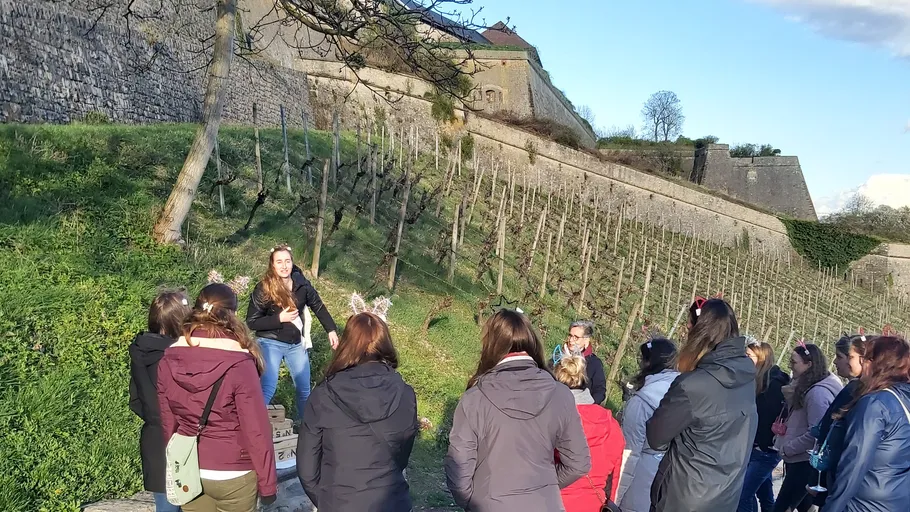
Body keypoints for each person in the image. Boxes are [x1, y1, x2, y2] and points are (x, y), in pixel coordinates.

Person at [445, 309, 591, 512]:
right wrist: (542, 486)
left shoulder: (475, 398)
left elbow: (459, 467)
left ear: (491, 344)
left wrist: (476, 500)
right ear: (531, 342)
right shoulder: (561, 394)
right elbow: (579, 463)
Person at [158, 283, 277, 512]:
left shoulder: (169, 358)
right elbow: (256, 429)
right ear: (231, 314)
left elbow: (168, 421)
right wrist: (268, 483)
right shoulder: (240, 362)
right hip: (234, 470)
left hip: (190, 466)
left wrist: (175, 463)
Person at [297, 311, 418, 511]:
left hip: (340, 502)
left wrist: (331, 501)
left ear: (347, 344)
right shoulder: (405, 393)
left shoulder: (322, 395)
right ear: (385, 344)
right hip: (392, 502)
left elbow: (307, 469)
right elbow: (401, 456)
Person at [646, 298, 757, 512]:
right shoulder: (747, 378)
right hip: (725, 497)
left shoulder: (692, 385)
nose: (686, 328)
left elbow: (655, 436)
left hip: (682, 499)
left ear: (700, 331)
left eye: (690, 324)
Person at [246, 245, 339, 422]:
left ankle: (305, 430)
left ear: (292, 262)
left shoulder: (302, 284)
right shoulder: (264, 288)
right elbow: (252, 322)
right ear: (272, 265)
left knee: (304, 390)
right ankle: (253, 427)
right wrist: (279, 318)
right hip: (270, 342)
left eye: (287, 261)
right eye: (279, 262)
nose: (284, 266)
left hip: (296, 343)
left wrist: (331, 330)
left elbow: (318, 306)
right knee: (268, 387)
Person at [823, 336, 910, 511]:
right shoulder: (903, 398)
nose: (863, 365)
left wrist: (832, 507)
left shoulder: (875, 404)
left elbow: (855, 463)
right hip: (897, 500)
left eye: (867, 359)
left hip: (865, 504)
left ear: (880, 364)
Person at [129, 290, 191, 512]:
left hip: (154, 440)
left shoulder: (140, 351)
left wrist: (155, 417)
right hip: (184, 440)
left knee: (165, 506)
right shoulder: (179, 355)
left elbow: (135, 400)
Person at [773, 342, 842, 512]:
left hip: (803, 461)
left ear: (809, 364)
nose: (791, 366)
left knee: (782, 508)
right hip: (798, 459)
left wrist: (789, 448)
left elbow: (817, 433)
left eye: (794, 362)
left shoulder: (817, 394)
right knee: (805, 507)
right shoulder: (806, 388)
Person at [553, 354, 625, 512]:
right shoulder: (611, 424)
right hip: (594, 504)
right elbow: (613, 479)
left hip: (553, 501)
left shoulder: (552, 420)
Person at [616, 338, 679, 512]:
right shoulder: (684, 391)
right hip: (672, 477)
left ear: (648, 362)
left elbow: (630, 453)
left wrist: (616, 495)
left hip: (641, 477)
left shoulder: (642, 401)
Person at [807, 334, 866, 508]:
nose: (835, 362)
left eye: (840, 357)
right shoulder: (850, 388)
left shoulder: (856, 392)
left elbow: (837, 437)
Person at [738, 341, 790, 512]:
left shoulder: (773, 386)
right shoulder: (759, 381)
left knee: (742, 494)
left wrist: (760, 442)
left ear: (761, 359)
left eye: (749, 356)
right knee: (763, 494)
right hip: (760, 447)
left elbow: (767, 418)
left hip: (765, 449)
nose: (744, 359)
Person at [564, 320, 607, 405]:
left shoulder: (594, 363)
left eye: (576, 337)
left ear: (586, 340)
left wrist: (589, 407)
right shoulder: (558, 357)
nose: (571, 340)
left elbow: (600, 391)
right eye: (570, 336)